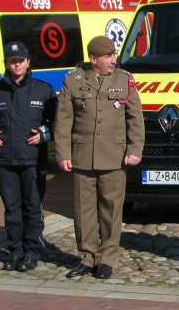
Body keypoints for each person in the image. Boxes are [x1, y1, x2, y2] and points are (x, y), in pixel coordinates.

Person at [54, 36, 143, 279]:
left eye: (114, 55)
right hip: (83, 155)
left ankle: (107, 259)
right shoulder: (73, 80)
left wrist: (135, 150)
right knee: (84, 210)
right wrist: (62, 153)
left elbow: (135, 118)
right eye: (107, 56)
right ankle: (87, 256)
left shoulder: (124, 80)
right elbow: (63, 120)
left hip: (115, 156)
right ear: (93, 59)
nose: (113, 60)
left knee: (111, 209)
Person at [0, 42, 57, 273]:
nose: (17, 64)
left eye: (20, 60)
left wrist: (44, 134)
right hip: (5, 159)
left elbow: (57, 122)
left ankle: (32, 251)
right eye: (12, 61)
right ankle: (15, 251)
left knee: (32, 207)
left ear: (28, 61)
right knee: (11, 209)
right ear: (7, 64)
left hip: (32, 159)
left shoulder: (43, 89)